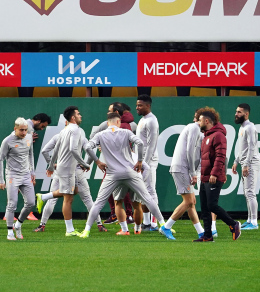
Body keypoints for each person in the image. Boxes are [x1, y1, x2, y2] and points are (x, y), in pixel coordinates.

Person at [78, 113, 173, 239]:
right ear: (118, 122)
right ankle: (163, 225)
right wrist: (140, 161)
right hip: (130, 172)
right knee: (147, 199)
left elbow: (87, 147)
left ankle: (86, 231)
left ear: (107, 123)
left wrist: (98, 162)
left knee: (99, 203)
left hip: (112, 174)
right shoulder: (126, 132)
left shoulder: (100, 135)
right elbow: (140, 143)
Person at [34, 119, 107, 233]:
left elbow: (44, 151)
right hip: (75, 170)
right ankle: (99, 224)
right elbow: (89, 150)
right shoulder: (80, 136)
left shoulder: (59, 136)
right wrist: (86, 163)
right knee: (86, 198)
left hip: (61, 170)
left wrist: (52, 165)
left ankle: (42, 224)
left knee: (55, 199)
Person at [35, 106, 90, 237]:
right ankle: (69, 230)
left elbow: (53, 150)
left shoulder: (64, 131)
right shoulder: (75, 130)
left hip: (64, 168)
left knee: (74, 191)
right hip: (67, 169)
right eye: (78, 114)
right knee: (68, 198)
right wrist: (84, 163)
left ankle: (43, 197)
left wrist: (51, 165)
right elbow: (73, 149)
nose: (80, 116)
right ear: (73, 118)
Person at [196, 108, 241, 242]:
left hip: (213, 177)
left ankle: (233, 224)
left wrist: (214, 173)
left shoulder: (218, 136)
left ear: (207, 121)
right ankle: (207, 235)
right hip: (205, 177)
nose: (198, 123)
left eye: (200, 120)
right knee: (204, 207)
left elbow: (221, 156)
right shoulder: (206, 137)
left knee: (212, 205)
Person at [162, 109, 205, 238]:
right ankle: (166, 227)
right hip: (182, 168)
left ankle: (201, 232)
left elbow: (194, 153)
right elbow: (190, 151)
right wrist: (193, 173)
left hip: (182, 167)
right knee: (188, 201)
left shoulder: (196, 130)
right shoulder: (194, 128)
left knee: (191, 202)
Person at [0, 118, 36, 240]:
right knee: (12, 204)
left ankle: (18, 224)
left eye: (25, 130)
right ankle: (10, 232)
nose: (24, 132)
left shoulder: (29, 137)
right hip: (12, 175)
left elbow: (30, 154)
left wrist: (32, 171)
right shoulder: (7, 141)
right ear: (15, 129)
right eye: (21, 130)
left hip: (26, 175)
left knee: (31, 203)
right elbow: (0, 160)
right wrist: (1, 180)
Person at [232, 103, 260, 230]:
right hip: (245, 162)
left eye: (239, 112)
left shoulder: (250, 128)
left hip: (251, 162)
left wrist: (246, 165)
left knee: (250, 192)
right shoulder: (243, 127)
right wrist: (236, 161)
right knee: (247, 192)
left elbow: (251, 147)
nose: (236, 114)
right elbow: (243, 149)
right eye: (236, 111)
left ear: (246, 114)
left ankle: (254, 222)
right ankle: (250, 219)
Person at [135, 95, 160, 231]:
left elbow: (151, 145)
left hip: (148, 161)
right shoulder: (143, 119)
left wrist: (145, 163)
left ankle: (154, 224)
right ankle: (146, 222)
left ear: (148, 106)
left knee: (150, 190)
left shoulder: (151, 121)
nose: (137, 107)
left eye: (140, 105)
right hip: (142, 161)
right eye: (137, 105)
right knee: (143, 191)